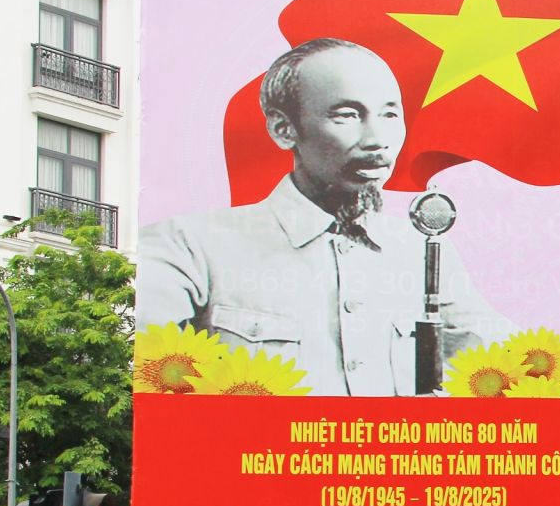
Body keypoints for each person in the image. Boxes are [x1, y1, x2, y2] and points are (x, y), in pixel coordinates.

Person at [139, 37, 507, 396]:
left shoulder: (420, 253)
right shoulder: (190, 246)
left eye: (390, 114)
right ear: (284, 129)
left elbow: (511, 362)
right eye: (347, 116)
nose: (378, 139)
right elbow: (140, 378)